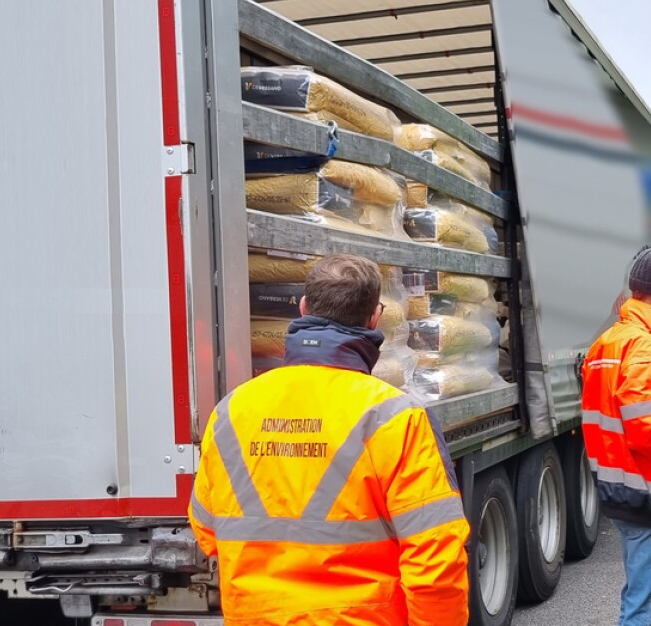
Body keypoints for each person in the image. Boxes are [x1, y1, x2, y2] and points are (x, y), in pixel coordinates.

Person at [188, 253, 469, 626]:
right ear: (375, 318)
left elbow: (206, 529)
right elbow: (435, 558)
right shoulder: (395, 417)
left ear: (304, 308)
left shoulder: (232, 410)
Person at [581, 246, 651, 626]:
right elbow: (649, 433)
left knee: (638, 598)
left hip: (621, 488)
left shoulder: (608, 341)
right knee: (645, 610)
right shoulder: (645, 346)